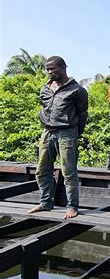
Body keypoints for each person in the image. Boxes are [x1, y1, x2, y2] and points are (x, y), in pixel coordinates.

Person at [28, 56, 88, 219]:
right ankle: (46, 202)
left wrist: (75, 133)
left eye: (52, 68)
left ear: (62, 68)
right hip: (47, 132)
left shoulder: (77, 90)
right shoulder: (44, 88)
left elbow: (83, 114)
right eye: (47, 69)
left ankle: (72, 206)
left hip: (67, 132)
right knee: (42, 170)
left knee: (68, 171)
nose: (49, 72)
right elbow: (44, 108)